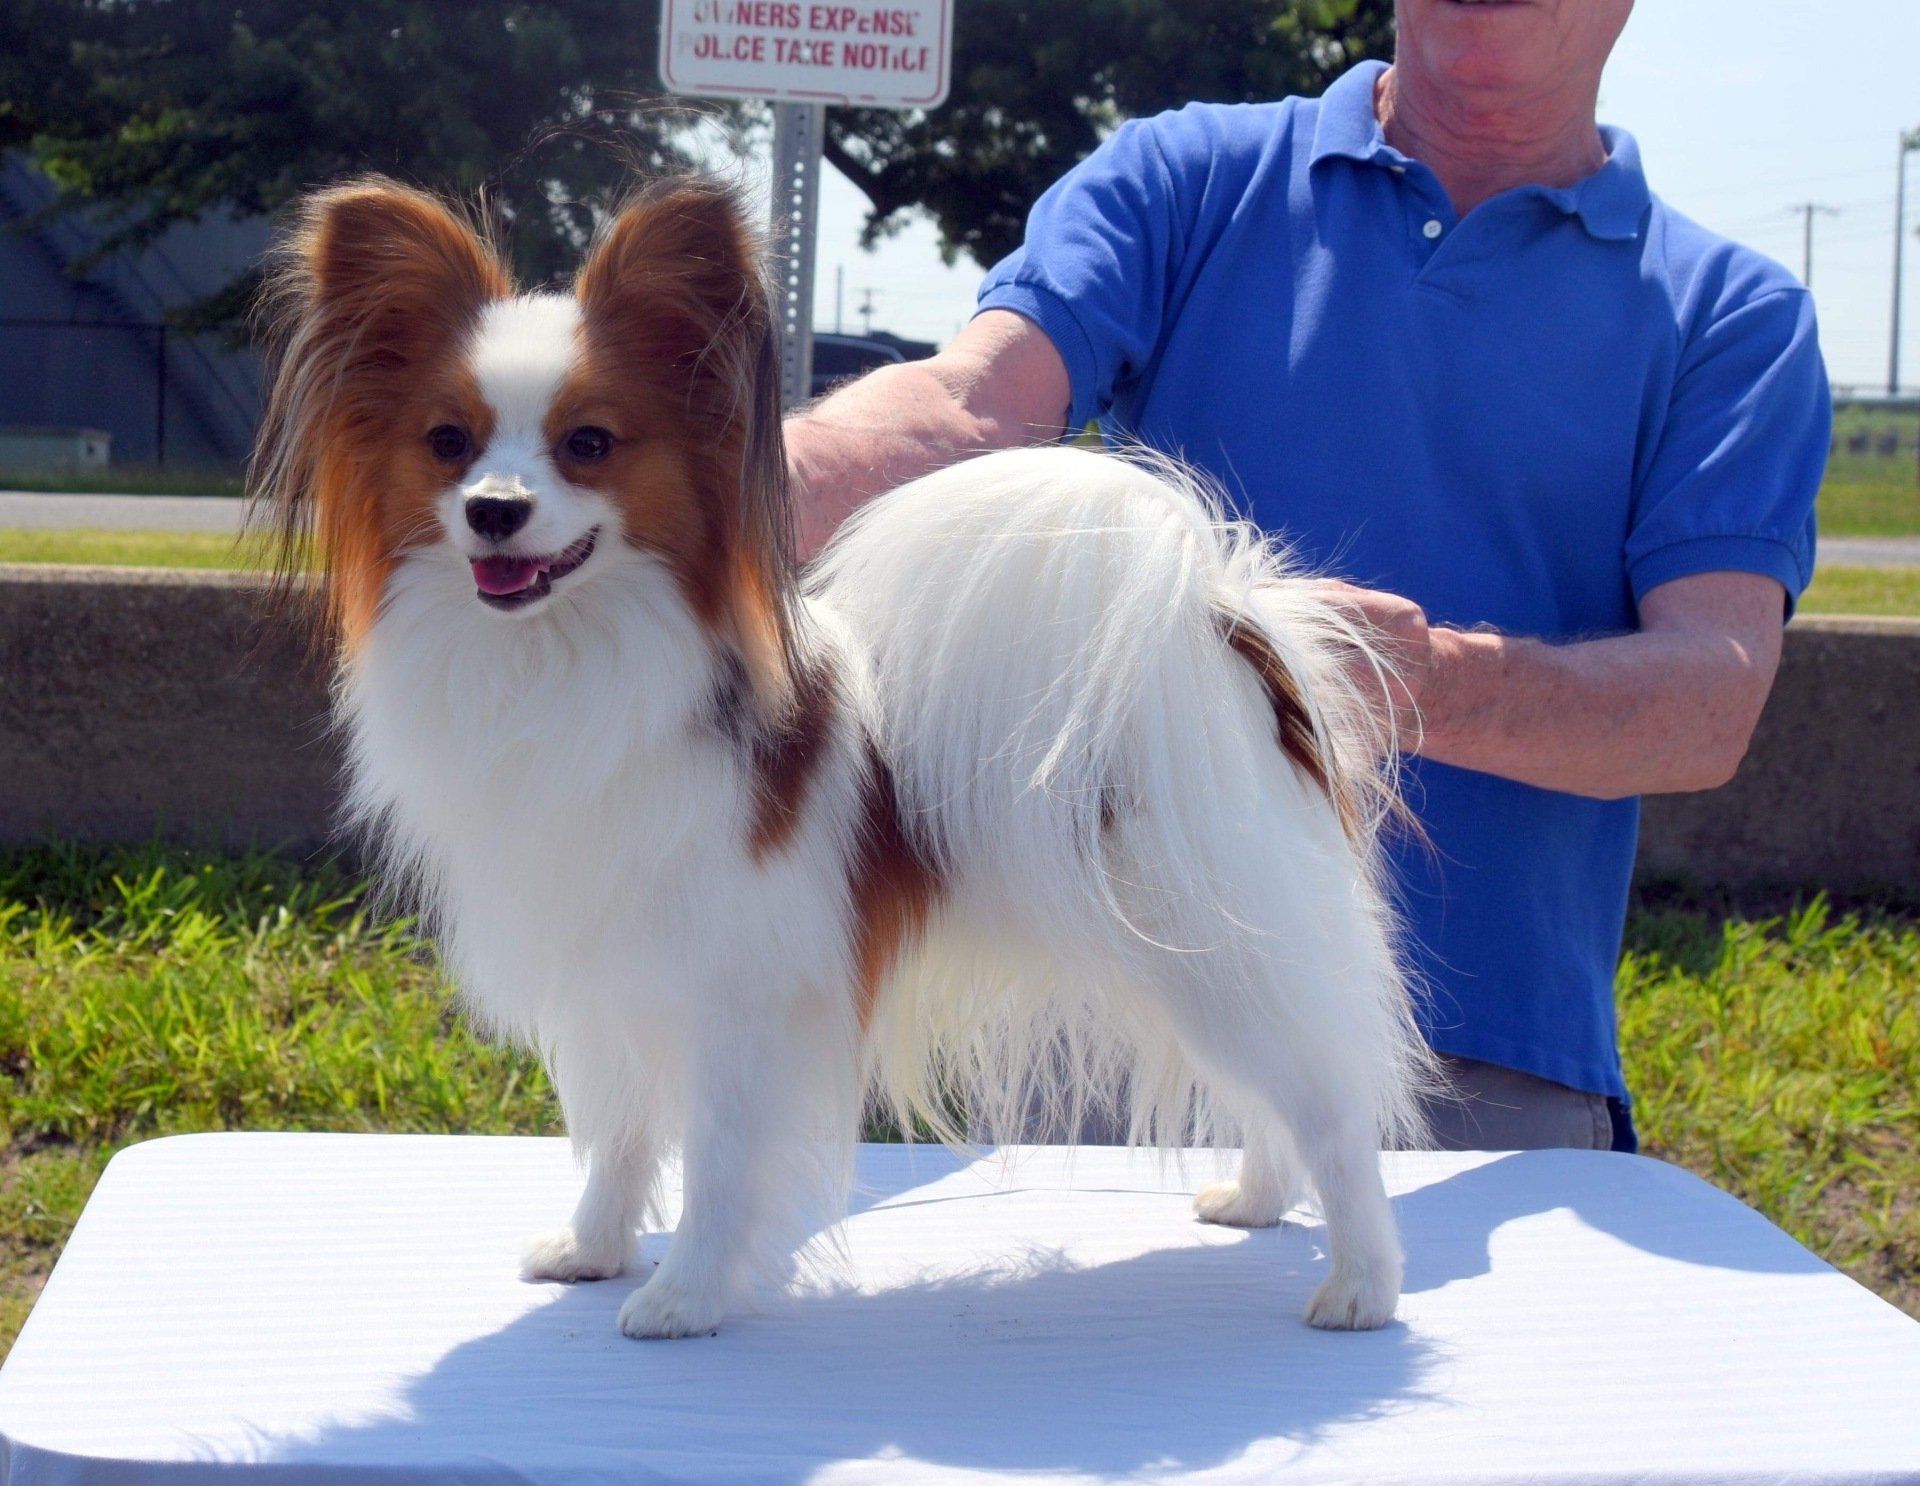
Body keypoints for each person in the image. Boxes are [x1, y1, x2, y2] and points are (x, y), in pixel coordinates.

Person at [784, 0, 1829, 1151]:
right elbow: (966, 405)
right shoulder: (1186, 177)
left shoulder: (1738, 318)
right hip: (1113, 1041)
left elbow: (1706, 706)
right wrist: (694, 492)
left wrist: (1414, 682)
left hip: (1481, 1077)